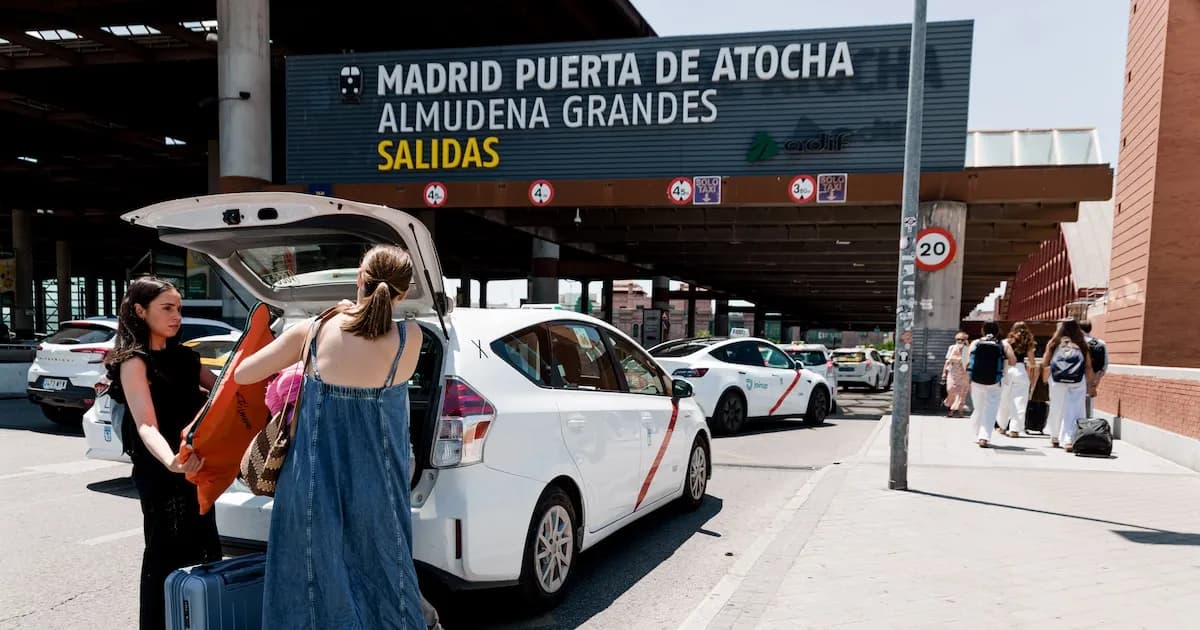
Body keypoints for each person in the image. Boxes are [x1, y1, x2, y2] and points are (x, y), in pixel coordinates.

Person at [234, 245, 427, 629]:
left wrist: (325, 321)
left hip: (312, 484)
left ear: (359, 278)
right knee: (387, 580)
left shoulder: (315, 330)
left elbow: (243, 375)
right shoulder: (412, 338)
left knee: (309, 582)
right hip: (379, 486)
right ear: (402, 294)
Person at [104, 277, 221, 630]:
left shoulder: (187, 357)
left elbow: (226, 392)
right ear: (140, 311)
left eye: (179, 309)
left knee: (205, 549)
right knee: (165, 553)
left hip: (196, 466)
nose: (177, 316)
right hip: (161, 470)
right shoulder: (133, 362)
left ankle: (201, 621)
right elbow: (145, 424)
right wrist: (171, 461)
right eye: (167, 308)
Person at [1043, 319, 1096, 452]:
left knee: (1056, 407)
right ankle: (1069, 439)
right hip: (1077, 380)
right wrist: (1092, 385)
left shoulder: (1054, 343)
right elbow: (1088, 366)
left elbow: (1045, 363)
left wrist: (1044, 378)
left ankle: (1054, 437)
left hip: (1057, 380)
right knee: (1074, 409)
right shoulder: (1081, 344)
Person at [967, 322, 1015, 448]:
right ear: (998, 331)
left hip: (977, 380)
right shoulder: (1003, 344)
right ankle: (984, 436)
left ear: (983, 331)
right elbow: (1013, 361)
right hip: (995, 380)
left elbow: (968, 362)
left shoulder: (976, 343)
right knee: (990, 409)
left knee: (978, 408)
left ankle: (977, 433)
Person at [996, 321, 1038, 438]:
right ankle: (1014, 429)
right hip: (1020, 370)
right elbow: (1032, 362)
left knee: (1004, 400)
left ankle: (1002, 426)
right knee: (1020, 401)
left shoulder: (1006, 342)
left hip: (1007, 370)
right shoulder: (1028, 343)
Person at [1080, 320, 1107, 418]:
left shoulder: (1078, 343)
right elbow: (1104, 365)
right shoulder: (1101, 343)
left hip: (1078, 377)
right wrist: (1096, 380)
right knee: (1089, 401)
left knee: (1076, 403)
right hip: (1094, 376)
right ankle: (1087, 424)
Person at [942, 332, 971, 418]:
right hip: (953, 372)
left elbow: (969, 361)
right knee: (951, 390)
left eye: (962, 339)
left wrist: (966, 348)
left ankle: (958, 411)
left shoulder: (968, 349)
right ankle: (951, 406)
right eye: (958, 339)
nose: (960, 341)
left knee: (962, 393)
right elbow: (947, 361)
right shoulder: (952, 348)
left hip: (964, 373)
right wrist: (944, 373)